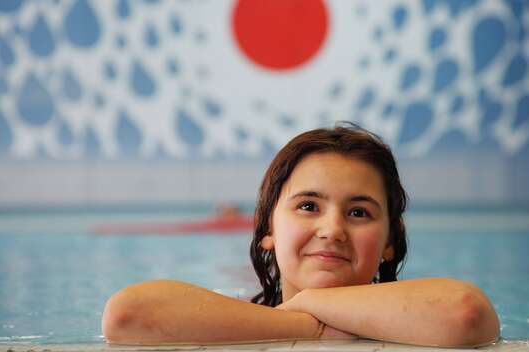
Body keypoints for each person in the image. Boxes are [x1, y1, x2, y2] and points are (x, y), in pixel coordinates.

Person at [102, 123, 500, 347]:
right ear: (268, 229)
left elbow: (465, 312)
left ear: (390, 240)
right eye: (308, 206)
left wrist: (308, 300)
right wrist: (302, 324)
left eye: (359, 212)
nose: (332, 230)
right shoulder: (244, 319)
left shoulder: (421, 317)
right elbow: (127, 314)